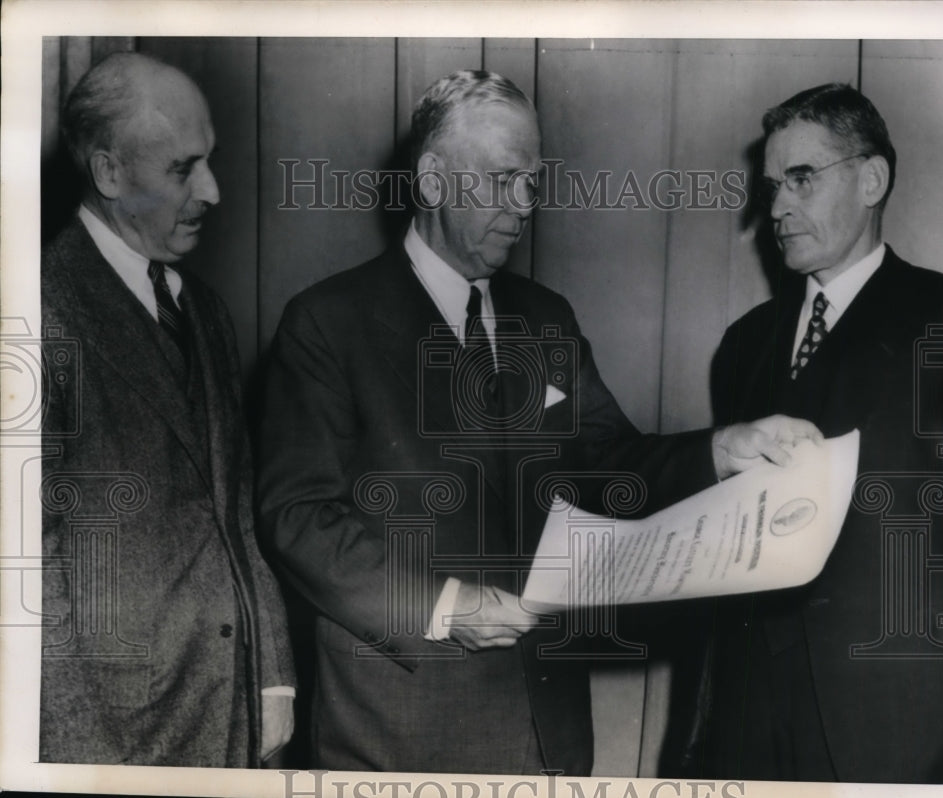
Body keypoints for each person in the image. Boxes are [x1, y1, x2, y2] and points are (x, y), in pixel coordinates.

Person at [256, 69, 820, 776]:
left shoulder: (546, 317)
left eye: (533, 180)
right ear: (431, 181)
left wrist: (720, 451)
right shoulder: (326, 323)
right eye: (501, 179)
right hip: (397, 733)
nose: (524, 203)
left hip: (548, 733)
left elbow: (611, 461)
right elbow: (298, 517)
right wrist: (444, 607)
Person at [704, 83, 943, 785]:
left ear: (872, 179)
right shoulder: (745, 344)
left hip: (897, 716)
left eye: (802, 178)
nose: (778, 208)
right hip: (750, 713)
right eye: (772, 186)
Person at [40, 51, 295, 767]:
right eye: (183, 169)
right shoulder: (38, 309)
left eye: (209, 161)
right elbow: (28, 571)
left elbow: (234, 508)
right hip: (116, 734)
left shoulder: (203, 310)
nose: (212, 190)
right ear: (109, 173)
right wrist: (77, 756)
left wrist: (272, 676)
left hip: (229, 706)